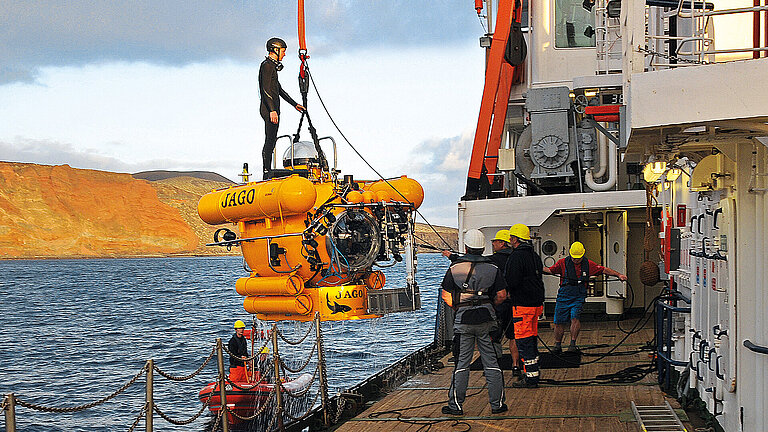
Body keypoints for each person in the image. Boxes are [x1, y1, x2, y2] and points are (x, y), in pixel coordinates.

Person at [441, 229, 509, 416]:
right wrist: (490, 305)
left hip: (464, 321)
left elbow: (446, 296)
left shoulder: (454, 268)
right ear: (483, 247)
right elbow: (502, 295)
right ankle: (497, 405)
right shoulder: (493, 268)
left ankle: (456, 405)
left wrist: (459, 308)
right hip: (487, 321)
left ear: (466, 247)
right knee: (492, 362)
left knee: (462, 363)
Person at [543, 241, 627, 353]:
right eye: (574, 258)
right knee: (558, 321)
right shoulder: (562, 263)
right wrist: (537, 268)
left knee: (575, 318)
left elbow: (604, 270)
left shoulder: (588, 264)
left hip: (578, 294)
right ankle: (557, 345)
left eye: (578, 258)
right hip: (564, 295)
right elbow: (550, 270)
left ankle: (572, 344)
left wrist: (619, 275)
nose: (576, 260)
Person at [504, 223, 545, 388]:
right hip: (536, 305)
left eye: (511, 238)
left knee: (524, 341)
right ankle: (534, 372)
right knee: (532, 339)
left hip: (522, 306)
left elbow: (512, 281)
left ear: (515, 239)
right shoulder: (534, 256)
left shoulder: (516, 257)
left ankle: (531, 378)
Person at [259, 37, 305, 179]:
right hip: (269, 109)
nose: (284, 54)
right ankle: (266, 171)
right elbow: (266, 90)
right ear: (276, 50)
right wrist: (272, 109)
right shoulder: (266, 66)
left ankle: (267, 169)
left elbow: (278, 90)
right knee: (270, 139)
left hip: (274, 109)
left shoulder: (272, 67)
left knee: (272, 140)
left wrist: (294, 104)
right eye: (283, 51)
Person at [488, 229, 521, 377]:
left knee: (494, 336)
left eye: (494, 241)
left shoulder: (493, 260)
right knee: (514, 335)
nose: (493, 244)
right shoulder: (516, 257)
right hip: (516, 303)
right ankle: (515, 366)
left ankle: (495, 368)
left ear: (502, 243)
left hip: (499, 303)